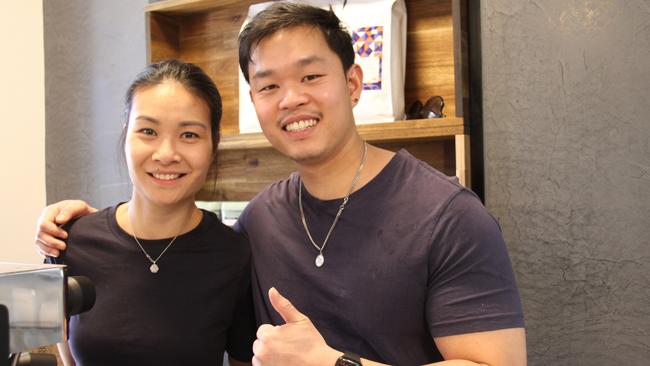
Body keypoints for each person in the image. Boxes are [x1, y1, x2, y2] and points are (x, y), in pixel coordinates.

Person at [36, 3, 526, 365]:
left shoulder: (449, 214)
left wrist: (334, 363)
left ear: (353, 83)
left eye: (311, 76)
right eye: (270, 85)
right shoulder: (260, 221)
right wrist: (66, 229)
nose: (291, 99)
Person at [41, 60, 255, 366]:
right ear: (126, 135)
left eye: (189, 135)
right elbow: (61, 353)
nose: (166, 154)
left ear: (213, 145)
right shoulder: (71, 240)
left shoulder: (234, 255)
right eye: (148, 131)